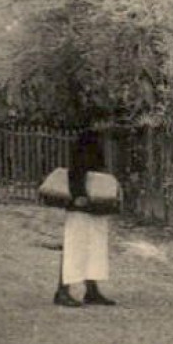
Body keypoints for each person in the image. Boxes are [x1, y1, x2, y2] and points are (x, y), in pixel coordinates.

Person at [55, 129, 116, 308]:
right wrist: (78, 194)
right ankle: (62, 290)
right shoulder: (83, 139)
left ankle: (91, 288)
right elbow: (75, 169)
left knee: (94, 244)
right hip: (81, 200)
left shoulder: (98, 139)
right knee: (76, 243)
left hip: (96, 199)